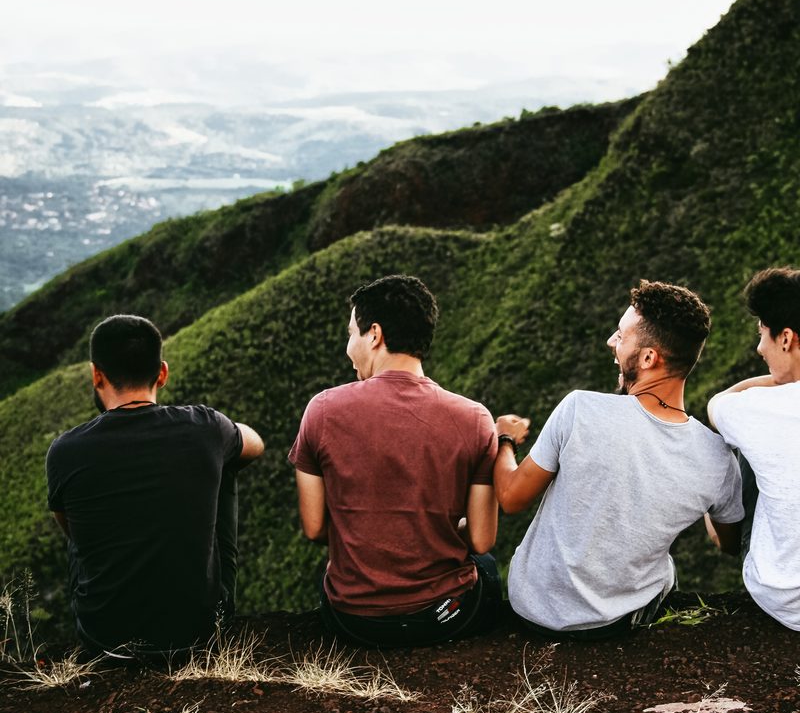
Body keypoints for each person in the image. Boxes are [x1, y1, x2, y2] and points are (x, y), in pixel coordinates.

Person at [494, 280, 744, 639]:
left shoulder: (579, 409)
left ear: (648, 358)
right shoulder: (717, 458)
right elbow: (728, 544)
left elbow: (511, 498)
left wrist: (504, 439)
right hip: (614, 624)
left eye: (621, 336)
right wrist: (701, 487)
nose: (611, 342)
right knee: (666, 569)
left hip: (533, 610)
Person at [288, 274, 501, 648]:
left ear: (374, 334)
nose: (348, 348)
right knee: (487, 566)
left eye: (351, 334)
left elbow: (315, 528)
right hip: (443, 618)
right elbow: (481, 539)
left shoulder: (322, 410)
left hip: (354, 620)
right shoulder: (475, 419)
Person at [46, 314, 264, 658]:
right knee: (227, 462)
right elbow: (256, 444)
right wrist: (219, 436)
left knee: (81, 522)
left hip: (104, 637)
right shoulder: (205, 427)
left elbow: (72, 532)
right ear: (162, 373)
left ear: (96, 374)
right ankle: (217, 608)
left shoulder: (64, 451)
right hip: (197, 632)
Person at [707, 267, 800, 631]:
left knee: (737, 444)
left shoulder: (758, 408)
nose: (760, 348)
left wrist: (780, 381)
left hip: (786, 599)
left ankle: (727, 540)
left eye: (762, 333)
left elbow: (717, 405)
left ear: (786, 338)